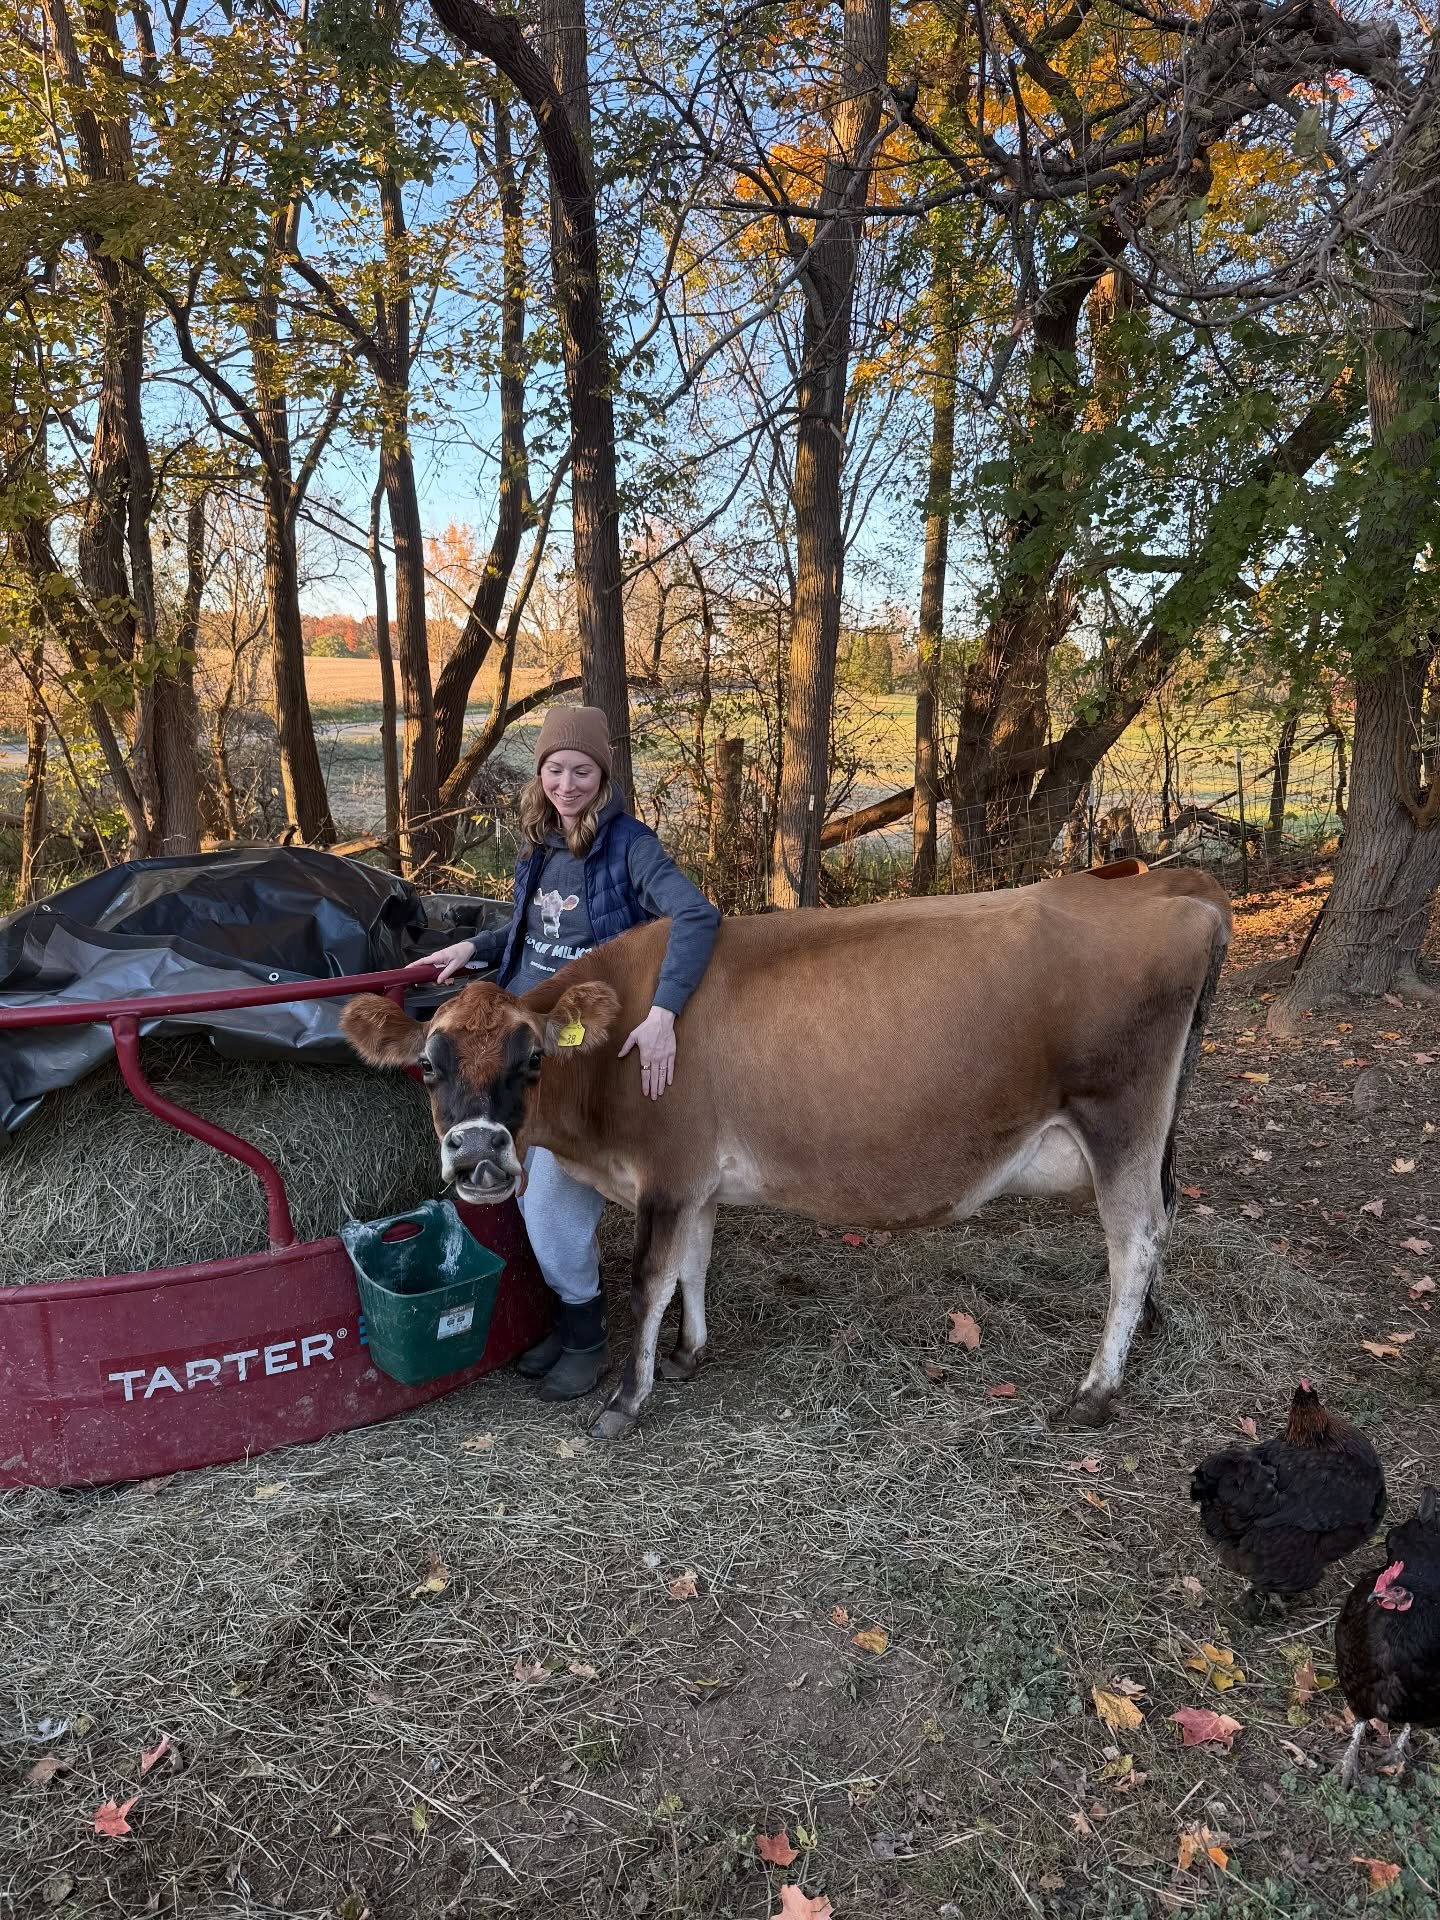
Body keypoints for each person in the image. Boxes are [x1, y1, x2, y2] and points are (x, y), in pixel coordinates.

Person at [418, 706, 721, 1399]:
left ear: (603, 777)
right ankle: (568, 1316)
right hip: (519, 1041)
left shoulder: (629, 846)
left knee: (551, 1204)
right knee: (517, 1188)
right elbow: (531, 934)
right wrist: (474, 947)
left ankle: (587, 1336)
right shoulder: (540, 840)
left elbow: (697, 915)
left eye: (581, 770)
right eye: (554, 769)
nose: (566, 783)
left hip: (578, 1047)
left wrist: (665, 1012)